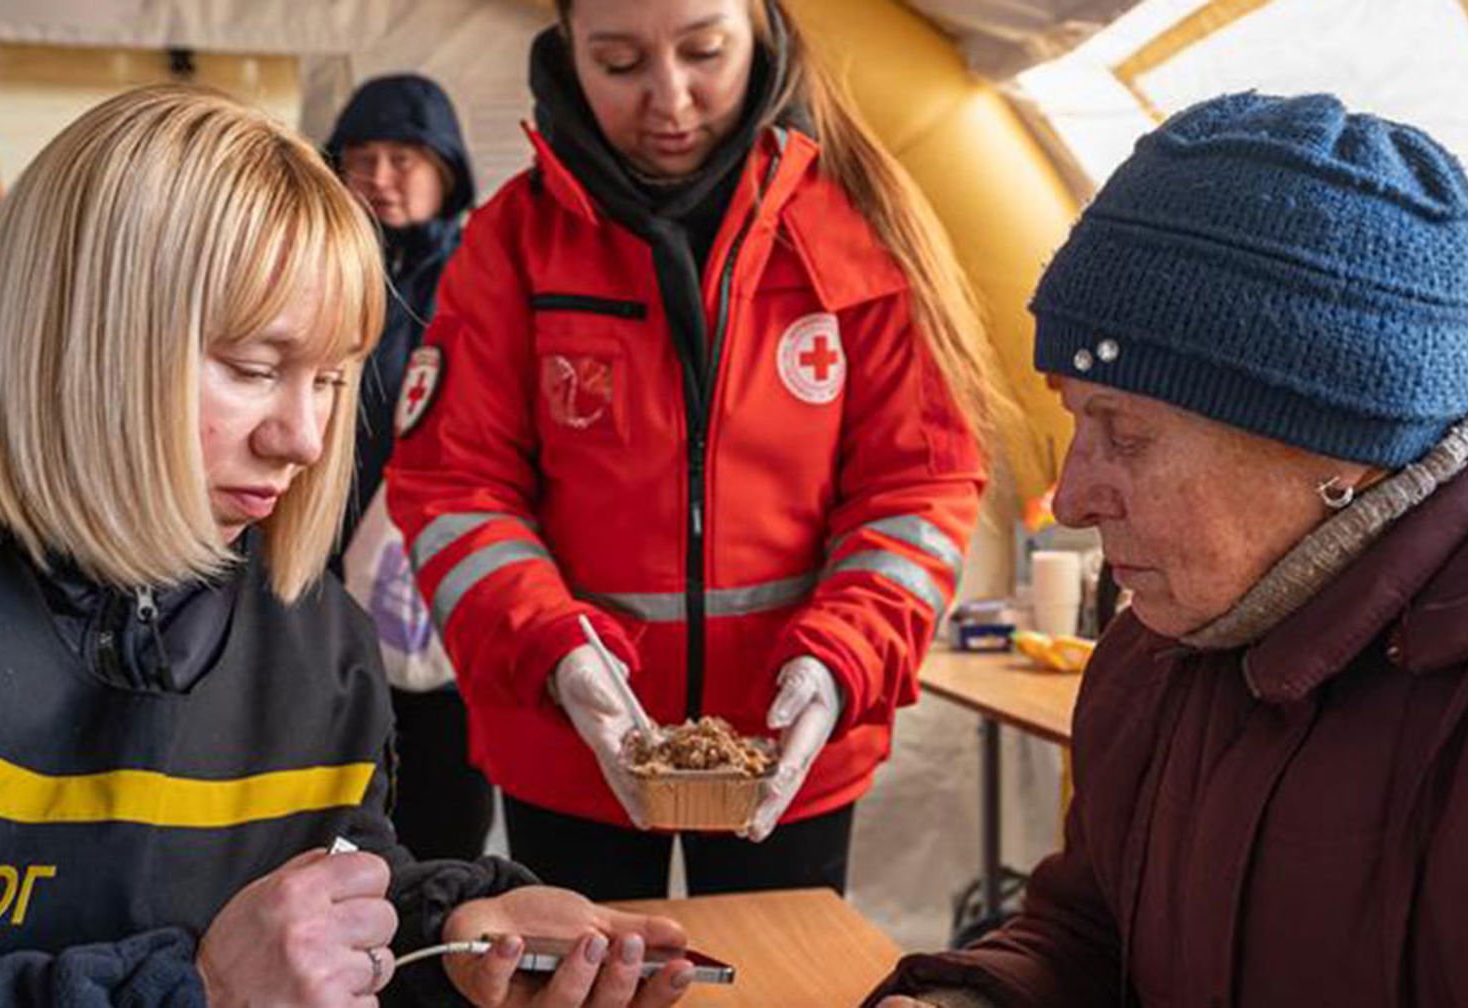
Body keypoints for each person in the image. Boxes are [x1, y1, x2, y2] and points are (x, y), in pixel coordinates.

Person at [0, 83, 700, 1008]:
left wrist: (449, 945)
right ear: (78, 331)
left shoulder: (318, 639)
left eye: (330, 381)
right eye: (253, 369)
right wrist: (196, 992)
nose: (306, 440)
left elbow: (316, 913)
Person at [871, 93, 1468, 1007]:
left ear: (1340, 444)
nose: (1079, 499)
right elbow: (1096, 926)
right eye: (1075, 420)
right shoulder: (1165, 642)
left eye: (1126, 434)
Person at [387, 0, 1006, 901]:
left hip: (791, 743)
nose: (670, 99)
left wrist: (842, 658)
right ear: (566, 51)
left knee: (775, 990)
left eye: (704, 51)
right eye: (620, 62)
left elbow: (920, 484)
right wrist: (555, 650)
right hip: (570, 743)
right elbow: (454, 487)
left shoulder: (861, 232)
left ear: (762, 33)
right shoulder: (512, 244)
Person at [326, 73, 496, 864]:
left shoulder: (482, 275)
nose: (382, 178)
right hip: (322, 567)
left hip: (440, 570)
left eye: (404, 157)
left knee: (445, 776)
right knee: (334, 775)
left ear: (447, 166)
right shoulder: (325, 268)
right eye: (362, 158)